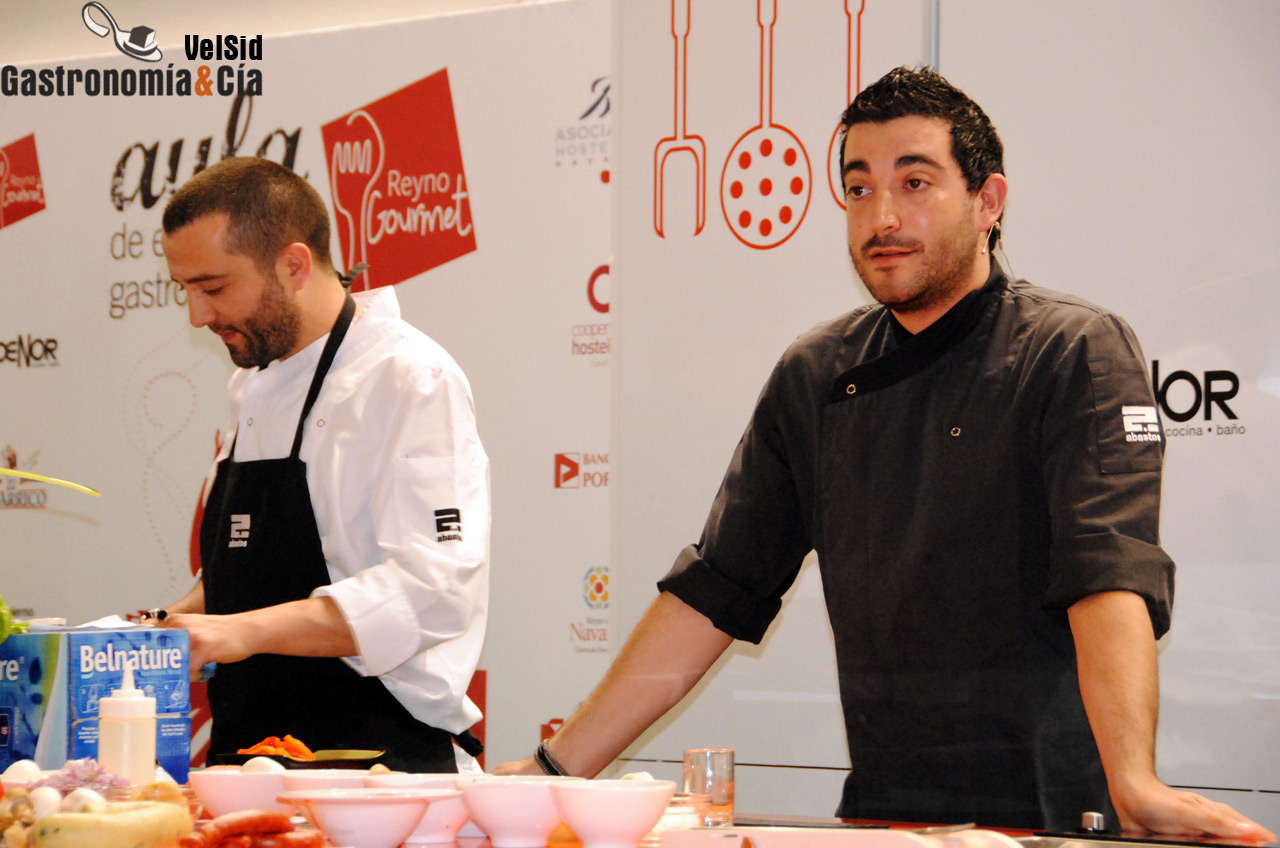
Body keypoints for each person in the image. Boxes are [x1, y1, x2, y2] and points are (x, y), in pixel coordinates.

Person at [496, 67, 1276, 840]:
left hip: (1053, 818)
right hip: (884, 819)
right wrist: (556, 770)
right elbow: (713, 594)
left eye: (916, 183)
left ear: (989, 201)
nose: (883, 217)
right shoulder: (815, 374)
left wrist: (1133, 781)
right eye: (859, 188)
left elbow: (1107, 574)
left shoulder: (1072, 349)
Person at [151, 156, 490, 773]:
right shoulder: (253, 385)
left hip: (378, 762)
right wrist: (179, 622)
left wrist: (243, 632)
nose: (198, 317)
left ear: (295, 264)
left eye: (214, 288)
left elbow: (434, 592)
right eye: (187, 291)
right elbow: (261, 570)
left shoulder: (408, 379)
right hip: (247, 760)